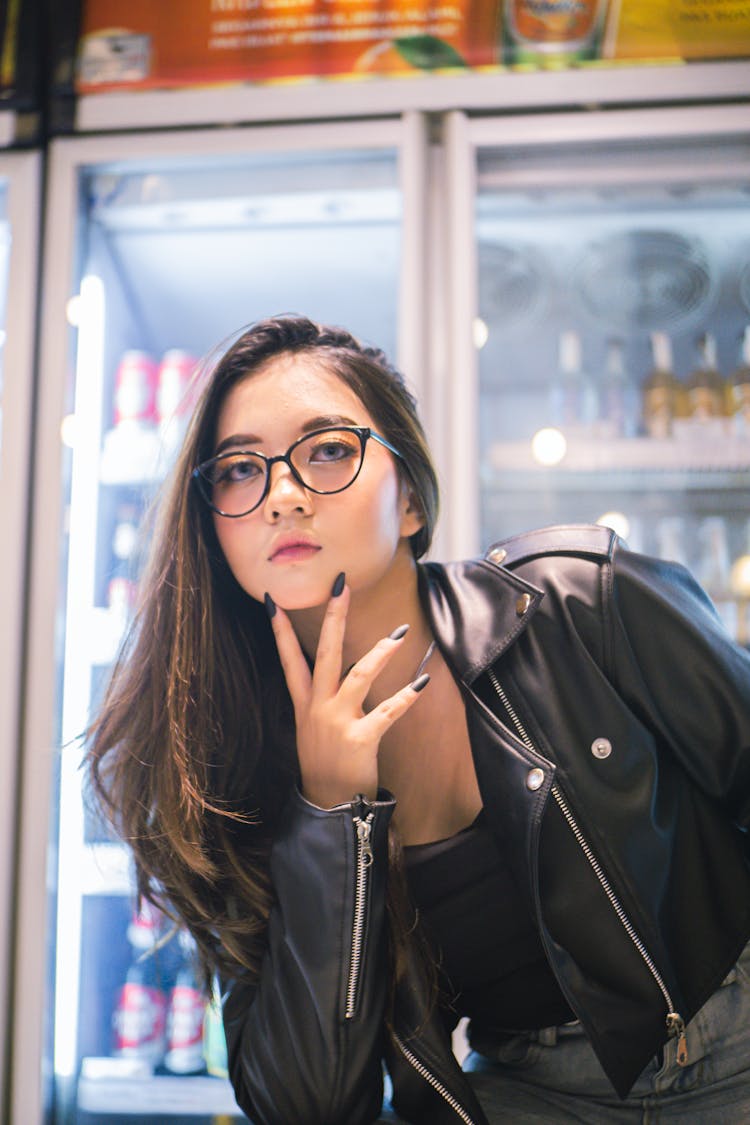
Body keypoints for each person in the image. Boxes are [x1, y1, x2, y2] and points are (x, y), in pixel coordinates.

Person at [86, 314, 750, 1125]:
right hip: (525, 1096)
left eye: (327, 449)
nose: (282, 493)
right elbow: (309, 1107)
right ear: (214, 524)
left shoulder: (577, 600)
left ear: (408, 498)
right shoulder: (232, 769)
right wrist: (330, 815)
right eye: (237, 468)